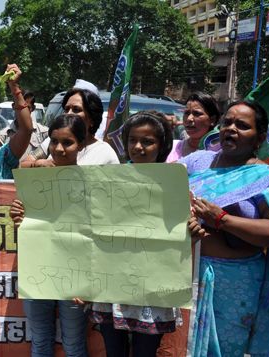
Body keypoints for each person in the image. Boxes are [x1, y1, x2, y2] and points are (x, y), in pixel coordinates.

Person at [182, 101, 269, 356]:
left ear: (260, 138)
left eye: (242, 126)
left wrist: (222, 219)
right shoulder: (199, 163)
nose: (231, 129)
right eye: (227, 123)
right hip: (186, 275)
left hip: (236, 286)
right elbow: (163, 187)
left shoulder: (265, 176)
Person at [89, 111, 177, 357]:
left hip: (152, 286)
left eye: (147, 141)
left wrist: (192, 230)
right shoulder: (108, 180)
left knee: (145, 353)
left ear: (162, 146)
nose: (138, 147)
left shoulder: (174, 182)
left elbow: (179, 231)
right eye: (132, 140)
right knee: (114, 352)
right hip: (112, 283)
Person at [10, 114, 90, 357]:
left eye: (68, 143)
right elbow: (26, 229)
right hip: (38, 269)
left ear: (82, 145)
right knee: (40, 342)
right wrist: (17, 218)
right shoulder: (33, 179)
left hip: (75, 274)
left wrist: (89, 283)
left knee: (74, 344)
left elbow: (98, 234)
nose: (59, 149)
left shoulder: (93, 183)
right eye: (54, 141)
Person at [24, 87, 119, 168]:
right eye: (66, 109)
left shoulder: (105, 153)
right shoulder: (51, 142)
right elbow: (23, 165)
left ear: (91, 119)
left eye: (76, 110)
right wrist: (39, 164)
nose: (69, 114)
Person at [165, 92, 220, 162]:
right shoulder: (172, 147)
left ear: (212, 120)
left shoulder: (219, 153)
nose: (189, 118)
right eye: (187, 113)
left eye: (197, 114)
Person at [0, 90, 49, 161]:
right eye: (19, 108)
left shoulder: (44, 133)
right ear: (13, 106)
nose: (22, 112)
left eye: (27, 108)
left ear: (33, 108)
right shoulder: (3, 136)